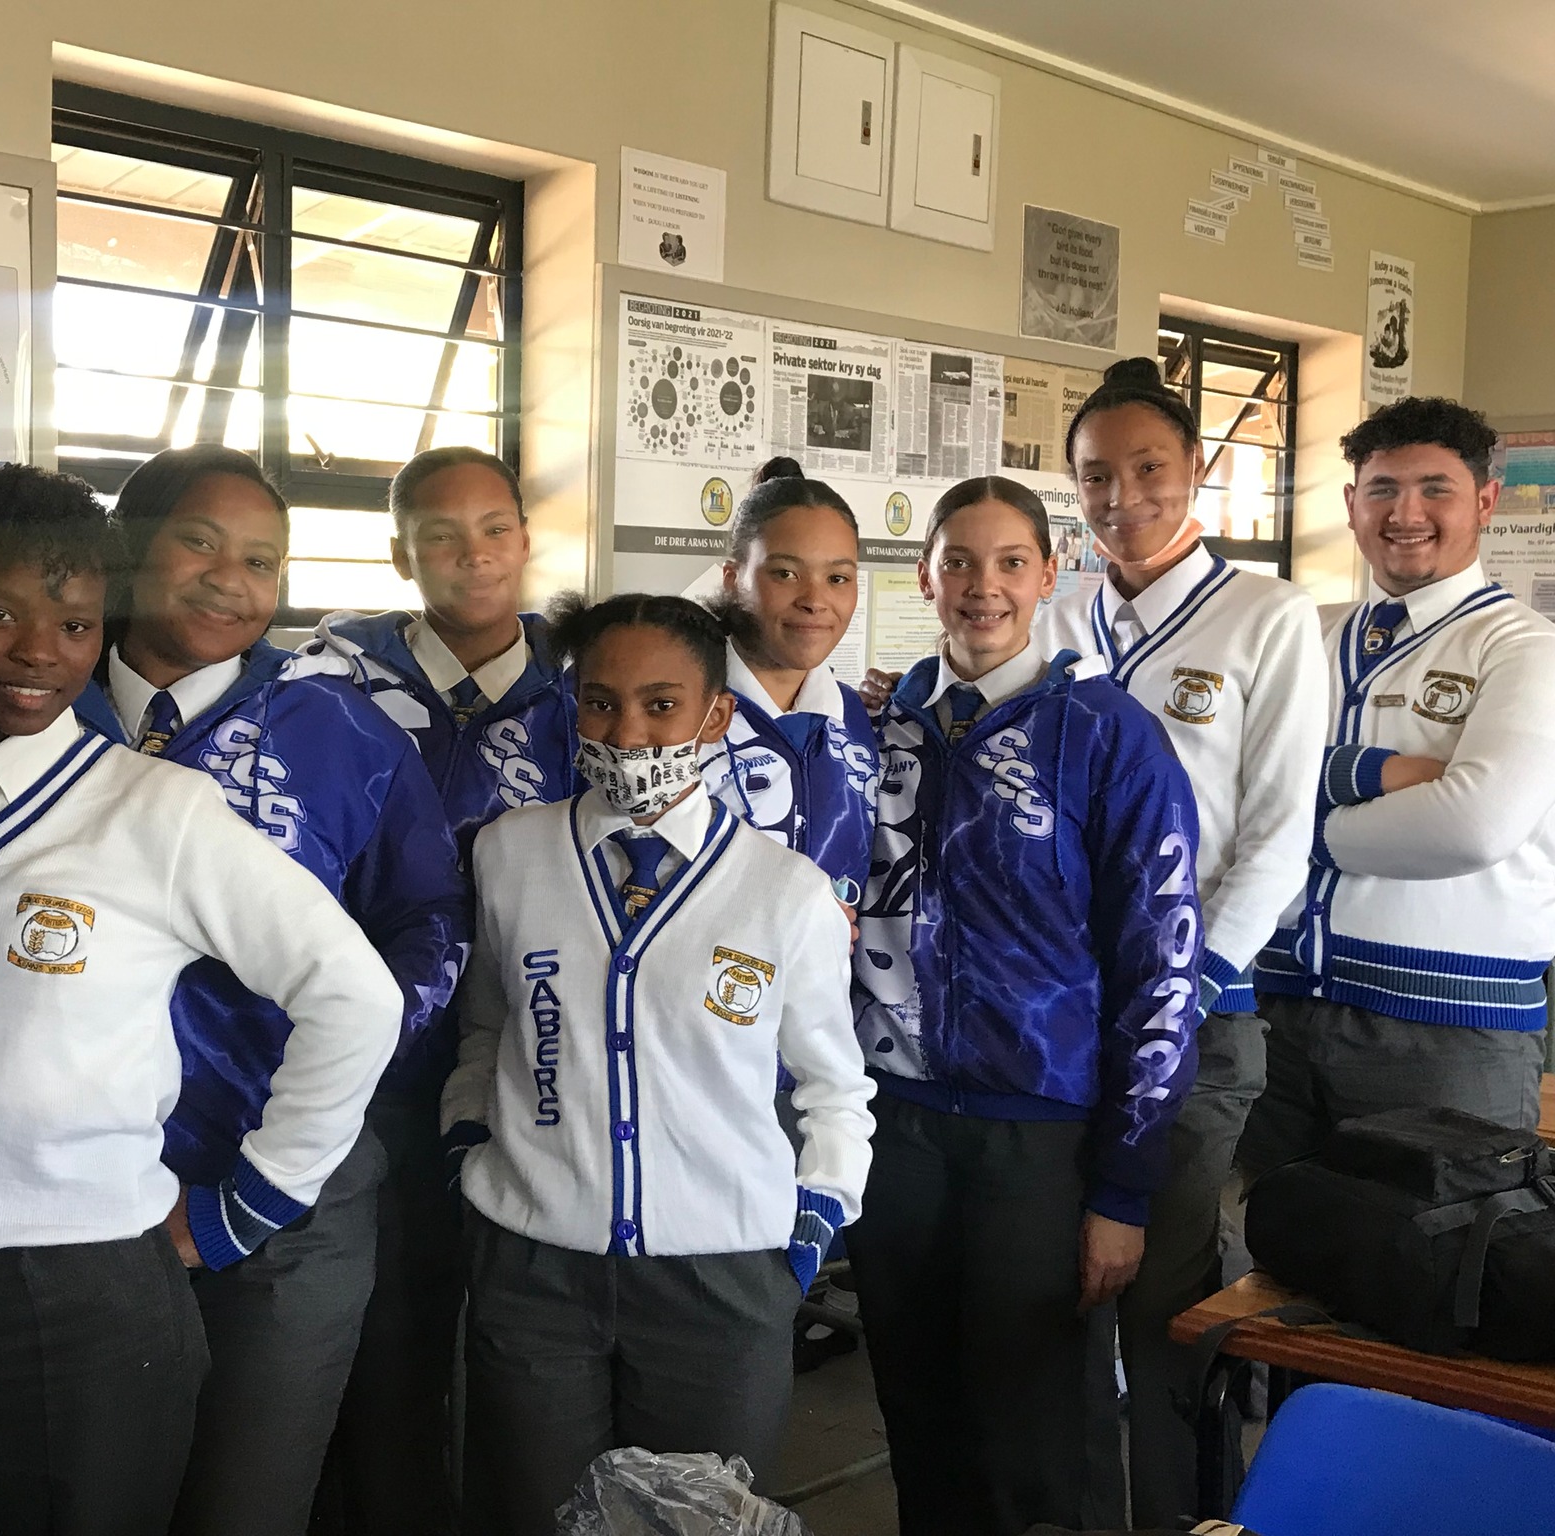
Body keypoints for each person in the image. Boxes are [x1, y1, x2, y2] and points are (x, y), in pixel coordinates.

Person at [0, 464, 405, 1536]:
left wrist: (262, 1194)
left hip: (79, 1290)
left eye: (74, 625)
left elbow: (356, 995)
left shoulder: (157, 810)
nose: (39, 651)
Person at [66, 445, 467, 1536]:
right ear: (128, 547)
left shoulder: (338, 729)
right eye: (199, 542)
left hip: (288, 1185)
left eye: (261, 560)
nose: (230, 580)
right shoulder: (44, 709)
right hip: (70, 1188)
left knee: (247, 1498)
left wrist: (347, 1056)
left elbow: (428, 916)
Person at [444, 592, 876, 1536]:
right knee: (533, 1515)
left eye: (662, 705)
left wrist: (811, 1224)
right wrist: (467, 1148)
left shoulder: (784, 891)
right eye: (601, 702)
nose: (628, 733)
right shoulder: (510, 855)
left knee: (701, 1522)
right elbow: (486, 1028)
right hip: (536, 1272)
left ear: (715, 716)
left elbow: (834, 1088)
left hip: (722, 1281)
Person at [851, 476, 1202, 1536]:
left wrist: (1122, 1188)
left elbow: (1161, 968)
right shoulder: (874, 733)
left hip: (1039, 1139)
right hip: (895, 1125)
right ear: (924, 577)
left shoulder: (1107, 734)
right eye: (958, 561)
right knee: (918, 1417)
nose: (983, 586)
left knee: (1035, 1439)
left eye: (1010, 562)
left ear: (1050, 576)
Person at [1034, 356, 1329, 1528]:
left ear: (1195, 469)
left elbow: (1276, 835)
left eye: (1147, 467)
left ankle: (1178, 1519)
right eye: (1094, 476)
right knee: (1056, 1294)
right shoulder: (1055, 613)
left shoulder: (1266, 617)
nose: (1121, 496)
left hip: (1196, 1021)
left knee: (1160, 1304)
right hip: (1056, 1019)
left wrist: (1183, 985)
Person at [300, 446, 577, 1535]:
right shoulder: (331, 685)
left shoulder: (579, 688)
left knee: (523, 1333)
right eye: (441, 536)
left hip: (532, 1055)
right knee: (381, 1328)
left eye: (495, 528)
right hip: (372, 1060)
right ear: (398, 554)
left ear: (525, 538)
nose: (475, 556)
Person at [1243, 397, 1555, 1175]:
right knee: (1263, 1238)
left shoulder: (1524, 648)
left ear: (1485, 500)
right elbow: (1223, 776)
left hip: (1447, 1031)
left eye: (1434, 489)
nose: (1405, 513)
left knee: (1443, 1244)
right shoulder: (1304, 632)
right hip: (1273, 1008)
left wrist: (1284, 830)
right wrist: (1374, 776)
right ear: (1352, 504)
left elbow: (1470, 828)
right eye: (1382, 489)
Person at [706, 458, 878, 900]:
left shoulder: (855, 716)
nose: (814, 600)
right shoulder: (679, 713)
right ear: (732, 580)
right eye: (785, 574)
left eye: (837, 578)